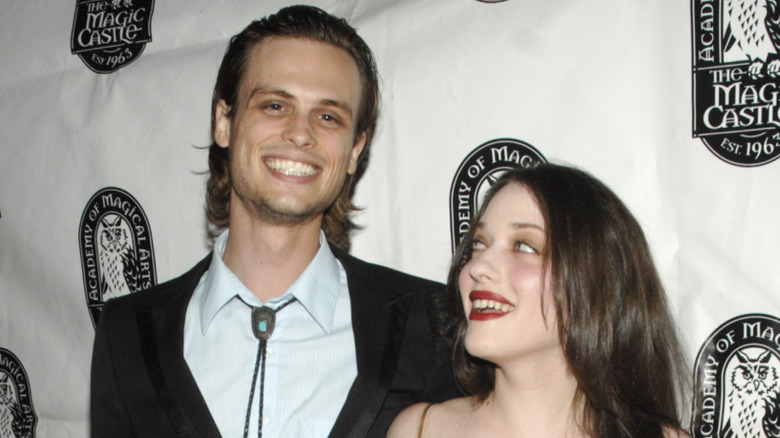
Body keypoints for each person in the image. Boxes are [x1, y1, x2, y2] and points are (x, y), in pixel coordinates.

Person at [90, 5, 457, 437]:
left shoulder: (434, 324)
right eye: (275, 105)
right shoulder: (128, 334)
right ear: (224, 123)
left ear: (356, 149)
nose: (301, 133)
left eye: (328, 116)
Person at [388, 163, 691, 438]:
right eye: (478, 245)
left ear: (595, 281)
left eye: (524, 246)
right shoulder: (419, 431)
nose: (478, 266)